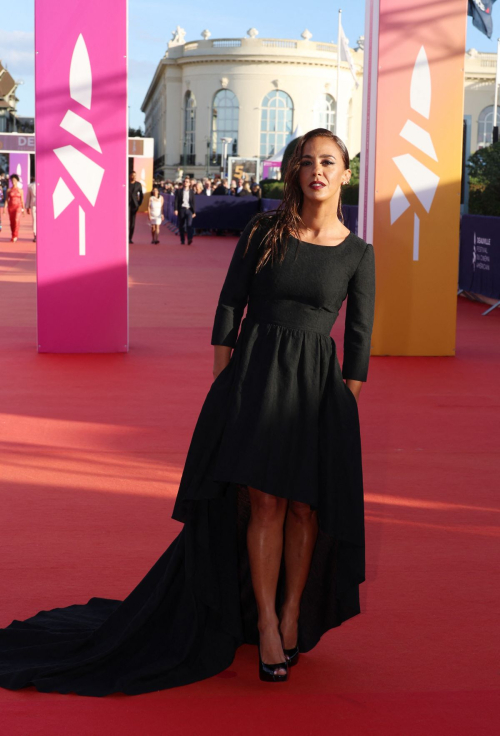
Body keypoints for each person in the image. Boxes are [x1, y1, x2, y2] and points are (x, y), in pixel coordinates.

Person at [0, 128, 375, 695]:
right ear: (293, 172)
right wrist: (226, 385)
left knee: (306, 509)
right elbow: (231, 304)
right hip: (255, 379)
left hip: (317, 392)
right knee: (265, 503)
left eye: (328, 161)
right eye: (306, 161)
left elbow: (360, 340)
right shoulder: (264, 230)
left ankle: (292, 610)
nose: (316, 170)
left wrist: (343, 406)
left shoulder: (357, 253)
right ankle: (268, 627)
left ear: (345, 172)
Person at [174, 176, 196, 245]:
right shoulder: (179, 191)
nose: (185, 183)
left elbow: (193, 202)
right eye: (184, 181)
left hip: (189, 210)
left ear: (189, 183)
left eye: (187, 182)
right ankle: (182, 240)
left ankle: (189, 238)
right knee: (182, 225)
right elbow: (176, 201)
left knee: (189, 225)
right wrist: (176, 209)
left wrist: (194, 211)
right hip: (182, 209)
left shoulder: (191, 192)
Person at [6, 174, 24, 242]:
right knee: (12, 222)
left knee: (17, 220)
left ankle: (16, 235)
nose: (13, 181)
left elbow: (22, 200)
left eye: (15, 180)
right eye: (12, 180)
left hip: (18, 207)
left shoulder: (20, 190)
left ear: (17, 181)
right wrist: (5, 208)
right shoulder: (9, 190)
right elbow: (7, 200)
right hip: (11, 207)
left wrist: (23, 209)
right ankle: (13, 234)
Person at [129, 171, 143, 244]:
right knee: (125, 222)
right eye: (132, 175)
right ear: (129, 176)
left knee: (132, 223)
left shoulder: (138, 184)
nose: (133, 177)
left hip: (134, 205)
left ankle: (130, 238)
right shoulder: (126, 183)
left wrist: (138, 204)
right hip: (126, 205)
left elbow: (141, 195)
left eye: (135, 175)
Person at [25, 176, 37, 243]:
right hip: (34, 205)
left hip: (43, 206)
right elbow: (28, 197)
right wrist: (27, 207)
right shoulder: (30, 186)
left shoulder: (45, 184)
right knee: (35, 220)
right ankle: (35, 234)